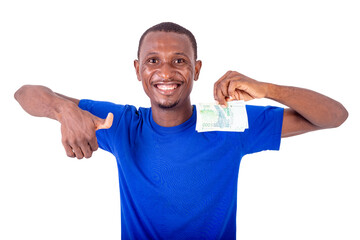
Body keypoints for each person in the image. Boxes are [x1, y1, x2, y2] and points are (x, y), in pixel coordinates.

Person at [14, 22, 348, 239]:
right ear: (138, 69)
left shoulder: (225, 122)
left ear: (196, 69)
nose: (165, 72)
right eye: (153, 61)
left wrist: (266, 89)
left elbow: (334, 115)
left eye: (179, 60)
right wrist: (63, 110)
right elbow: (24, 94)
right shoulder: (123, 124)